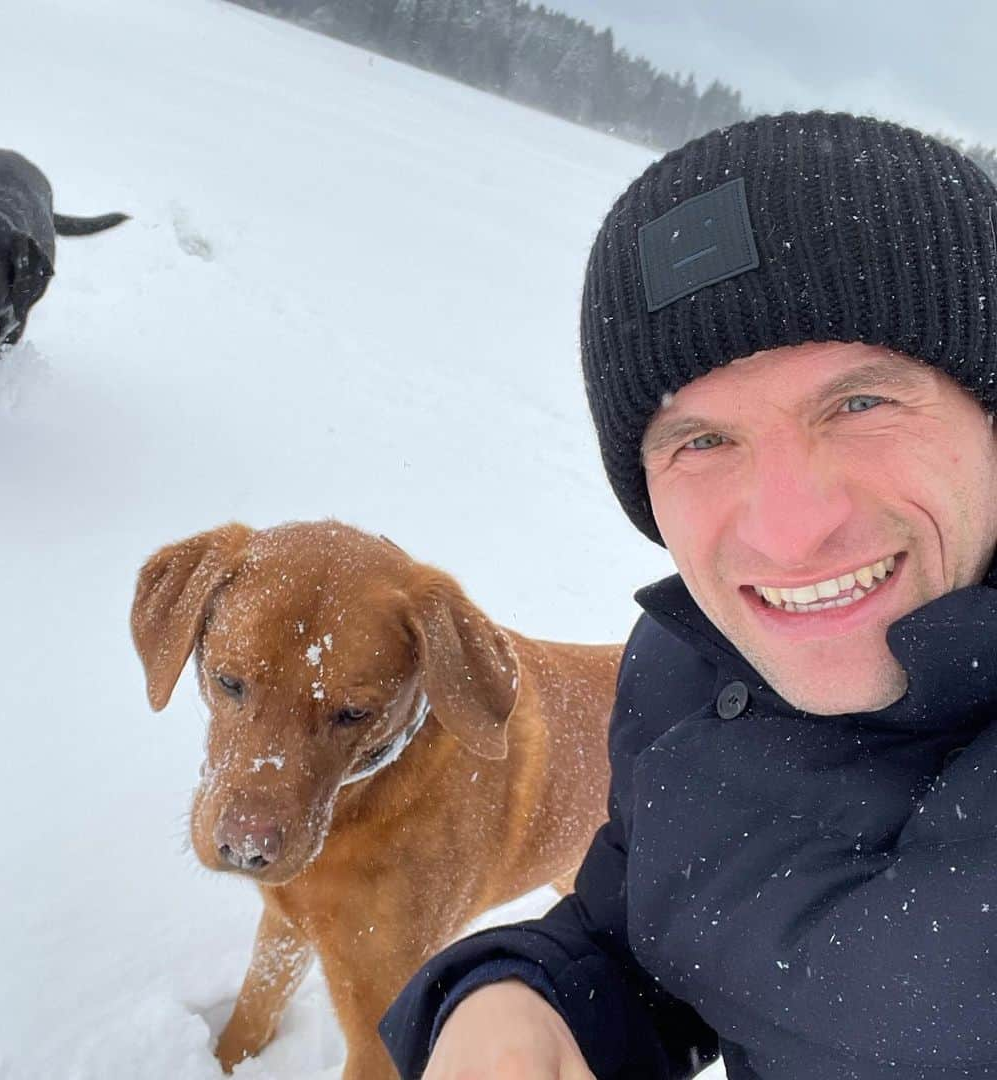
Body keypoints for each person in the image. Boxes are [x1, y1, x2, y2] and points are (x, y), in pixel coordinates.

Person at [378, 111, 997, 1079]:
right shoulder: (692, 668)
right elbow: (655, 935)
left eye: (860, 403)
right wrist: (530, 1002)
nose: (789, 530)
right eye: (702, 440)